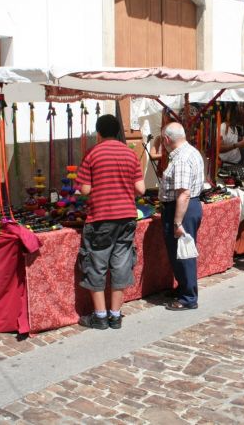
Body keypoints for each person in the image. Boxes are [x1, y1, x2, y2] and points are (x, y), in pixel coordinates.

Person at [76, 114, 146, 330]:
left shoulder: (92, 153)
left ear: (98, 133)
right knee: (121, 263)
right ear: (117, 132)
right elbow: (140, 189)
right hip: (126, 216)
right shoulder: (130, 154)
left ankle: (100, 316)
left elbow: (85, 190)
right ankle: (115, 315)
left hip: (101, 217)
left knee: (96, 264)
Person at [158, 122, 204, 310]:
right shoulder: (189, 151)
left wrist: (177, 222)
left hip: (182, 208)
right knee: (179, 252)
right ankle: (183, 287)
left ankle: (188, 297)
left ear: (167, 139)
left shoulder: (182, 158)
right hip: (185, 206)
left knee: (183, 252)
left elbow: (183, 193)